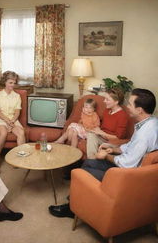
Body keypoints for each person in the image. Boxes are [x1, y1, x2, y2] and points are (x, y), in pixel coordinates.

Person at [49, 88, 158, 218]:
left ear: (139, 110)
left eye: (130, 104)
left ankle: (72, 209)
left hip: (126, 174)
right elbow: (130, 146)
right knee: (89, 162)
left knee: (83, 172)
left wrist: (106, 155)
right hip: (125, 163)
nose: (127, 107)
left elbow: (126, 164)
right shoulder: (148, 122)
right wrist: (114, 149)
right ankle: (75, 202)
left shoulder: (145, 134)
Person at [0, 71, 26, 172]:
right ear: (5, 82)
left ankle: (19, 159)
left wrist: (12, 121)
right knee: (3, 133)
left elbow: (17, 112)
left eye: (14, 83)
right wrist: (7, 121)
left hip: (13, 120)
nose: (13, 85)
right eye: (10, 82)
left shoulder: (17, 96)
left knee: (21, 132)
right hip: (1, 120)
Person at [87, 88, 129, 159]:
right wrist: (97, 130)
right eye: (104, 99)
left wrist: (102, 133)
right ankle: (91, 159)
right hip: (104, 138)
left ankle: (91, 161)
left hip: (114, 143)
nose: (104, 101)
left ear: (116, 102)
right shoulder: (107, 111)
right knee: (91, 134)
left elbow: (118, 138)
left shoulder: (122, 116)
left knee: (101, 142)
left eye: (107, 99)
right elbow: (103, 128)